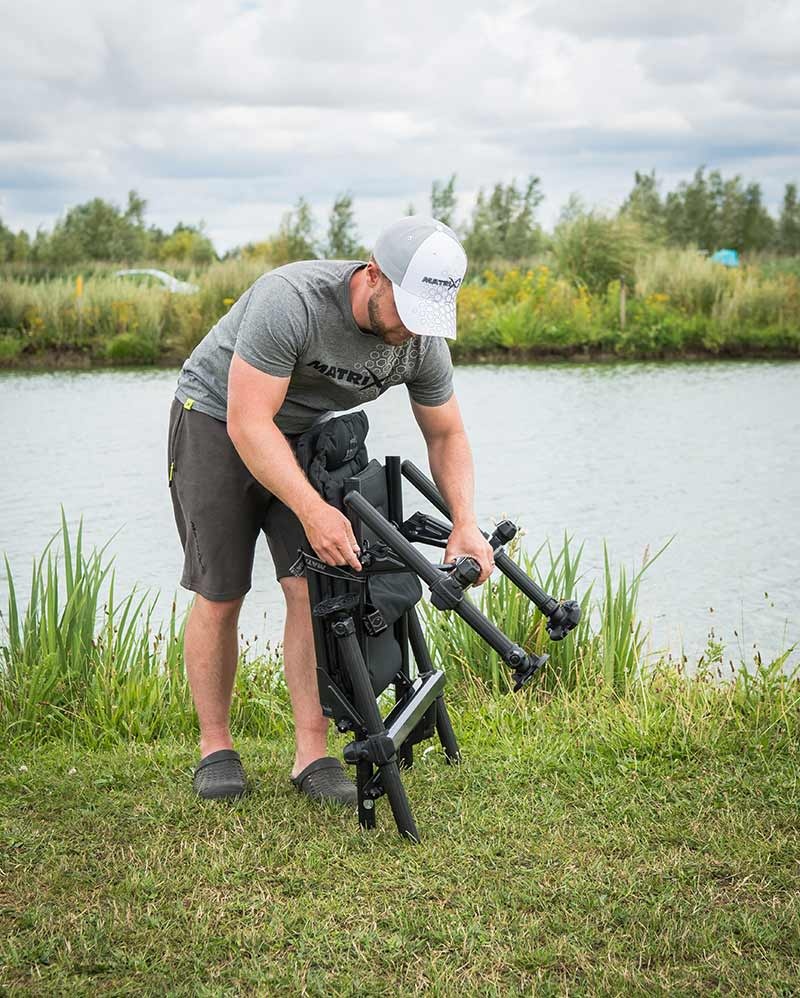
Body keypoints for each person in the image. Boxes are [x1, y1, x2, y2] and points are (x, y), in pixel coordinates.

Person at [167, 215, 495, 805]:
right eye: (407, 310)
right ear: (373, 276)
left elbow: (446, 434)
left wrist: (465, 522)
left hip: (305, 435)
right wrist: (311, 510)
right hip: (218, 420)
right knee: (221, 590)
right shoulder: (291, 301)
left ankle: (311, 755)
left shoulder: (420, 344)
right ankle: (216, 747)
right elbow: (249, 422)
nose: (411, 330)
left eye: (426, 317)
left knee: (311, 589)